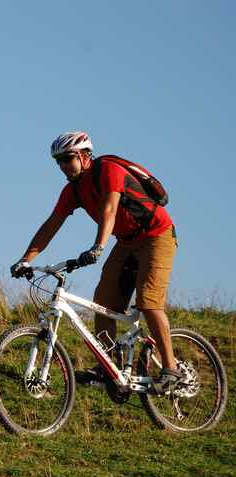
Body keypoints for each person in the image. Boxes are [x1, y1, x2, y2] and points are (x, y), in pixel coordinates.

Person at [10, 131, 181, 394]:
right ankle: (107, 365)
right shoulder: (73, 189)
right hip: (126, 241)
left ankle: (171, 369)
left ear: (84, 155)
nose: (63, 166)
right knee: (103, 304)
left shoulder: (108, 170)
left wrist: (98, 247)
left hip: (156, 235)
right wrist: (25, 259)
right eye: (58, 162)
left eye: (67, 159)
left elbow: (109, 209)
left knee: (148, 301)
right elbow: (51, 224)